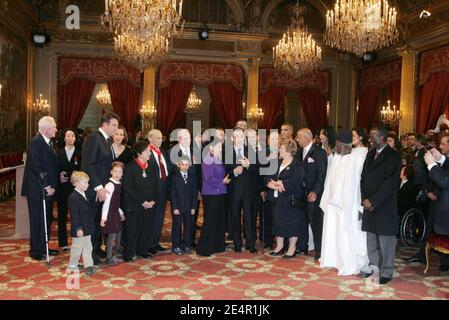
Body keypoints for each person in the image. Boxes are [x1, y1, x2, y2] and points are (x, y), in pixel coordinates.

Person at [320, 130, 369, 275]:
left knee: (349, 234)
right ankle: (334, 259)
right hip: (333, 204)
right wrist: (326, 200)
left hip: (350, 205)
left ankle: (350, 263)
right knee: (333, 233)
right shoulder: (337, 157)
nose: (336, 147)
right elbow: (329, 181)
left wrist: (361, 205)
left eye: (338, 145)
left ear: (346, 145)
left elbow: (361, 182)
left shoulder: (357, 158)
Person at [358, 127, 402, 285]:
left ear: (382, 137)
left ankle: (387, 271)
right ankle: (375, 268)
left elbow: (390, 183)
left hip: (384, 205)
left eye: (372, 136)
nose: (369, 139)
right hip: (369, 203)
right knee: (371, 240)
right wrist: (364, 198)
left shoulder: (393, 156)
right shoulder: (370, 153)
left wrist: (373, 201)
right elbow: (363, 178)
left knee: (386, 241)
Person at [81, 112, 120, 264]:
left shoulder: (106, 140)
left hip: (102, 187)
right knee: (91, 221)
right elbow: (88, 165)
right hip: (93, 188)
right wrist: (98, 187)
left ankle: (96, 249)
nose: (116, 128)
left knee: (97, 220)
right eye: (114, 125)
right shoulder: (93, 138)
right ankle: (89, 254)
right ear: (105, 124)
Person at [21, 116, 59, 260]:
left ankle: (44, 247)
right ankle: (35, 250)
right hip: (37, 189)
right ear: (45, 129)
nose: (56, 129)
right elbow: (37, 167)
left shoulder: (48, 142)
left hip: (46, 189)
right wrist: (47, 186)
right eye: (54, 127)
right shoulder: (36, 142)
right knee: (37, 219)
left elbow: (50, 164)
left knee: (46, 218)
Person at [267, 139, 306, 258]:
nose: (279, 150)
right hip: (277, 199)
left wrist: (281, 184)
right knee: (278, 222)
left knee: (291, 224)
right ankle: (279, 246)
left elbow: (297, 180)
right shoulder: (277, 163)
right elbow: (268, 176)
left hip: (290, 199)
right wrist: (270, 183)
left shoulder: (297, 165)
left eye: (282, 149)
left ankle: (292, 247)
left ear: (289, 151)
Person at [122, 141, 158, 262]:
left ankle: (142, 250)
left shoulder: (151, 166)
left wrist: (153, 200)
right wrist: (142, 202)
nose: (150, 153)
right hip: (134, 205)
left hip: (150, 204)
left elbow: (155, 184)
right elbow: (128, 188)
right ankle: (129, 253)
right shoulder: (130, 167)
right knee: (133, 230)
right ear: (139, 153)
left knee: (146, 228)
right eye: (147, 150)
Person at [295, 128, 328, 260]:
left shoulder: (319, 153)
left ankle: (319, 251)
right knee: (302, 221)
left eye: (299, 137)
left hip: (314, 194)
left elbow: (321, 174)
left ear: (307, 137)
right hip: (301, 193)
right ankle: (303, 246)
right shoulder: (299, 152)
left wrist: (315, 191)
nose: (297, 139)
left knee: (316, 223)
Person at [225, 128, 259, 253]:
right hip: (234, 191)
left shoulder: (250, 151)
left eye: (241, 136)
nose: (239, 138)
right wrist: (233, 172)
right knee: (235, 217)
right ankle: (237, 243)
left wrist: (249, 165)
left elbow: (258, 170)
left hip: (249, 191)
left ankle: (251, 243)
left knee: (250, 218)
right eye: (237, 136)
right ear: (233, 138)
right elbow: (224, 170)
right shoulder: (227, 152)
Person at [196, 139, 231, 256]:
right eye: (218, 147)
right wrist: (223, 181)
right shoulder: (208, 159)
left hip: (220, 193)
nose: (220, 149)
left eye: (221, 147)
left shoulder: (217, 158)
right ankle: (204, 248)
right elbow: (208, 178)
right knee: (210, 221)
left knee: (219, 220)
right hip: (211, 194)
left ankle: (217, 245)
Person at [57, 128, 81, 252]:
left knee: (76, 216)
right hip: (62, 188)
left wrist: (73, 175)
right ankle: (63, 243)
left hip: (75, 189)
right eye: (68, 135)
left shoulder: (79, 153)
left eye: (72, 136)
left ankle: (76, 241)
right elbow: (54, 168)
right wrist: (59, 175)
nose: (70, 138)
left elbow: (82, 170)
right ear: (64, 138)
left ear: (75, 138)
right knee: (62, 216)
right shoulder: (58, 152)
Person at [147, 129, 172, 254]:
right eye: (157, 137)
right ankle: (148, 243)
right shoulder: (147, 152)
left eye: (161, 137)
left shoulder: (162, 152)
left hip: (163, 189)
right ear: (150, 138)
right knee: (150, 217)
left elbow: (167, 170)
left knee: (160, 217)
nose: (160, 140)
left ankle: (156, 242)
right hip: (152, 190)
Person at [67, 171, 95, 276]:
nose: (88, 184)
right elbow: (74, 216)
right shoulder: (73, 198)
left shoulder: (84, 194)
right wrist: (78, 228)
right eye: (85, 182)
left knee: (88, 246)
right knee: (77, 247)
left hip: (87, 226)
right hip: (79, 228)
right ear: (77, 183)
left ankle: (88, 265)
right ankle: (72, 265)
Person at [170, 156, 198, 255]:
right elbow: (173, 194)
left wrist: (194, 207)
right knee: (177, 226)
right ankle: (176, 246)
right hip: (178, 207)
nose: (185, 167)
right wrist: (174, 207)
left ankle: (186, 245)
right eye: (183, 164)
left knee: (188, 227)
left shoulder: (192, 177)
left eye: (187, 164)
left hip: (189, 207)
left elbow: (195, 193)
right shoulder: (174, 177)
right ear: (178, 165)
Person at [100, 161, 126, 265]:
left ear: (122, 173)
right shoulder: (110, 185)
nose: (117, 174)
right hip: (110, 213)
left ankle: (117, 247)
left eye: (120, 172)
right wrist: (103, 218)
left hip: (115, 212)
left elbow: (116, 202)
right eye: (115, 171)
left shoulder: (118, 184)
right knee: (112, 235)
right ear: (111, 172)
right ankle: (109, 256)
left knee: (119, 230)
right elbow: (106, 203)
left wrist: (121, 212)